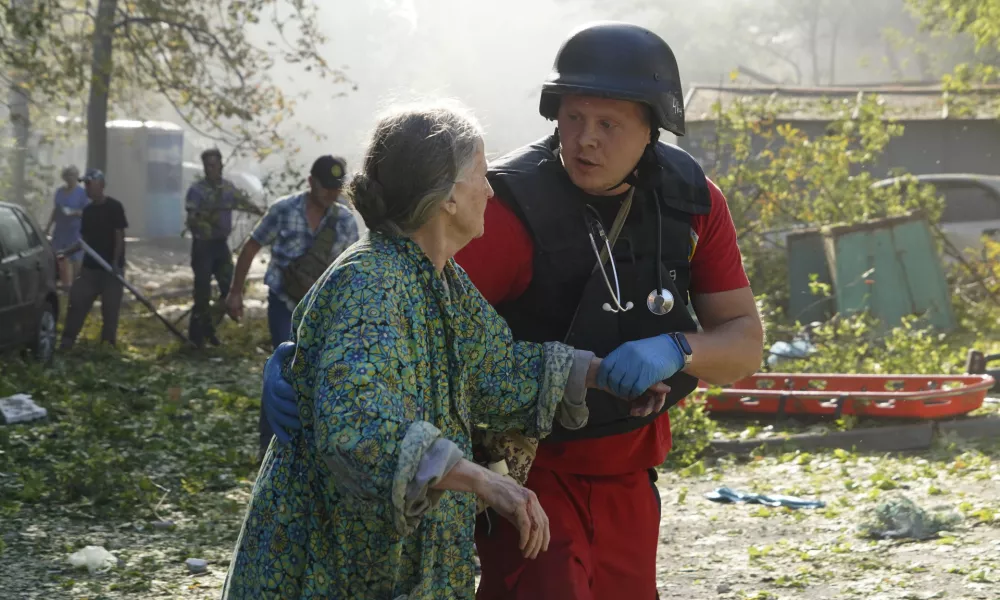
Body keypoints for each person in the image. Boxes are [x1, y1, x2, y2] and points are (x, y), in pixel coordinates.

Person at [261, 22, 765, 599]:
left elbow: (496, 361)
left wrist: (670, 350)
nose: (586, 139)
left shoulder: (693, 202)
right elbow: (393, 318)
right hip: (528, 475)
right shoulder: (502, 211)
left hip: (630, 475)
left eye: (608, 124)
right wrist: (305, 364)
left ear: (653, 128)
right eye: (574, 118)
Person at [221, 102, 662, 600]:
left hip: (384, 559)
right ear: (449, 195)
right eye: (481, 173)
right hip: (327, 560)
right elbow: (359, 429)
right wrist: (482, 481)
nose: (492, 190)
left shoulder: (439, 278)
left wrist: (603, 374)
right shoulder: (373, 283)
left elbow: (497, 370)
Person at [225, 154, 359, 460]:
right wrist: (235, 292)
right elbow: (251, 246)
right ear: (310, 182)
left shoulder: (345, 221)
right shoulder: (284, 209)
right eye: (325, 187)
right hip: (284, 304)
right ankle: (269, 444)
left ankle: (313, 443)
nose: (331, 193)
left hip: (322, 310)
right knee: (283, 367)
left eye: (336, 188)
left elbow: (352, 269)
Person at [184, 148, 263, 348]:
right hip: (203, 246)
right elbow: (192, 219)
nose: (211, 169)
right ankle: (196, 338)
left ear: (220, 166)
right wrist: (206, 220)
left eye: (214, 165)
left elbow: (244, 203)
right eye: (207, 166)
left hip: (220, 246)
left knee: (229, 288)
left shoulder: (228, 189)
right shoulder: (197, 190)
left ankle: (210, 327)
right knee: (201, 292)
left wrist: (262, 212)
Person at [58, 169, 129, 349]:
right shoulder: (88, 211)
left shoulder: (114, 207)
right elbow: (85, 241)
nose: (87, 188)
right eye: (85, 184)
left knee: (110, 311)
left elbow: (119, 236)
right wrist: (66, 252)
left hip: (111, 270)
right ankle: (66, 343)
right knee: (77, 301)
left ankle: (107, 347)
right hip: (90, 269)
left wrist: (115, 263)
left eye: (90, 183)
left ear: (101, 185)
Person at [45, 165, 89, 289]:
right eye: (68, 175)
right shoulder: (59, 192)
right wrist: (48, 227)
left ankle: (78, 285)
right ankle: (66, 285)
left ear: (76, 177)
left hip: (75, 230)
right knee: (60, 257)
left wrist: (75, 212)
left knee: (76, 258)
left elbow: (87, 212)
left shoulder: (82, 193)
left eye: (73, 176)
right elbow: (56, 210)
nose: (70, 178)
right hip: (61, 230)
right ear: (64, 177)